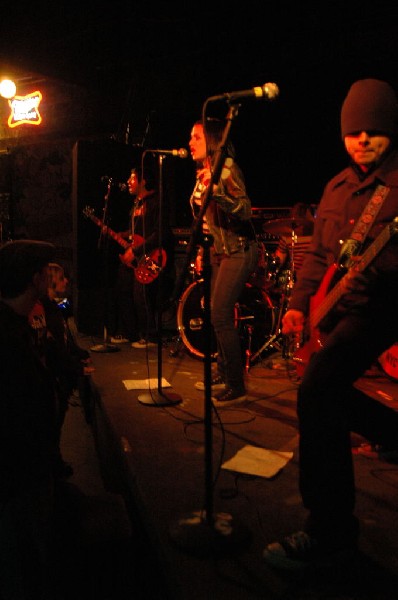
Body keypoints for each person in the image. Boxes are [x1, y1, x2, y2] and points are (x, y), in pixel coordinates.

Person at [262, 78, 398, 570]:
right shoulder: (336, 190)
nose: (363, 138)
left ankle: (330, 530)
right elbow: (319, 256)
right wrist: (298, 304)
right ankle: (391, 433)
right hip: (344, 310)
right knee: (328, 389)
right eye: (353, 131)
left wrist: (380, 270)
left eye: (374, 129)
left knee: (317, 389)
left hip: (384, 308)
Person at [0, 239, 59, 599]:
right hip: (18, 479)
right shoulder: (9, 343)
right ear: (35, 278)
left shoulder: (15, 326)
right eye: (49, 270)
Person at [189, 118, 258, 406]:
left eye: (196, 137)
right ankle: (222, 372)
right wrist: (203, 250)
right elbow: (207, 220)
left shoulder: (227, 170)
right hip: (219, 250)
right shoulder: (203, 171)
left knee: (219, 313)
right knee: (214, 312)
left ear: (213, 141)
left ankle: (236, 385)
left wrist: (217, 193)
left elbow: (245, 210)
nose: (190, 143)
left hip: (239, 249)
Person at [29, 262, 93, 478]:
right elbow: (55, 347)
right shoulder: (45, 311)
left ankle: (54, 465)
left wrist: (78, 354)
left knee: (56, 425)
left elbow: (64, 341)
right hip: (56, 379)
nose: (66, 281)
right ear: (51, 281)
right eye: (62, 278)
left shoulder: (53, 309)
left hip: (61, 377)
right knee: (52, 427)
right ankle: (52, 469)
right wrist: (75, 366)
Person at [109, 165, 174, 348]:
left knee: (142, 295)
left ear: (143, 181)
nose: (129, 182)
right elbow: (136, 232)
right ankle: (130, 333)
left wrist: (136, 251)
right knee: (122, 289)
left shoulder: (156, 201)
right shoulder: (136, 204)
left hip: (154, 256)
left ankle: (151, 336)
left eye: (132, 178)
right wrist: (122, 235)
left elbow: (160, 233)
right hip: (137, 255)